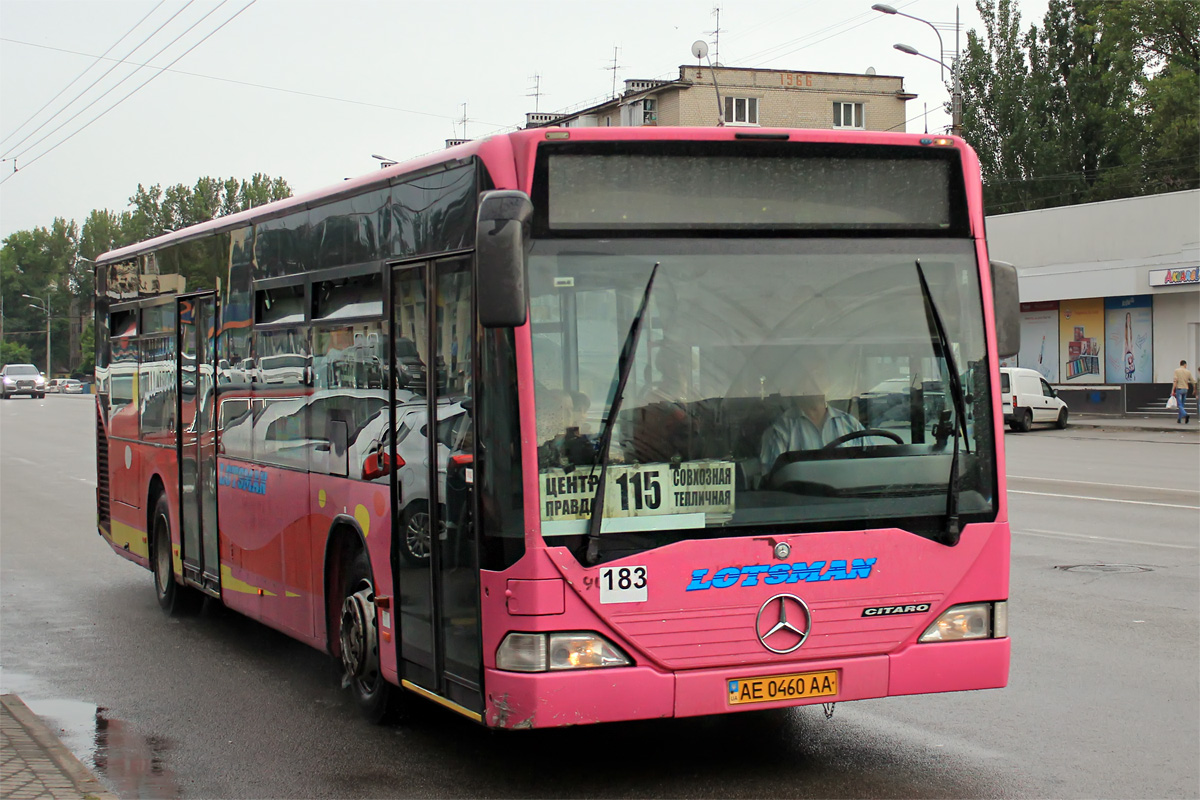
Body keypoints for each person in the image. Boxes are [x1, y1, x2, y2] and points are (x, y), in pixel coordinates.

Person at [760, 357, 865, 473]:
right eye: (808, 377)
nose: (816, 383)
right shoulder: (780, 431)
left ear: (828, 383)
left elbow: (870, 468)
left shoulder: (851, 424)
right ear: (796, 384)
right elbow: (773, 481)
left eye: (820, 375)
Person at [1171, 360, 1195, 424]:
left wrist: (1173, 390)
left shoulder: (1176, 371)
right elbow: (1193, 381)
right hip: (1186, 389)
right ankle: (1179, 419)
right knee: (1182, 404)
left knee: (1179, 404)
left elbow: (1175, 381)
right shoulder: (1188, 372)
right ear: (1185, 365)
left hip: (1179, 389)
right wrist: (1194, 389)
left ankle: (1185, 414)